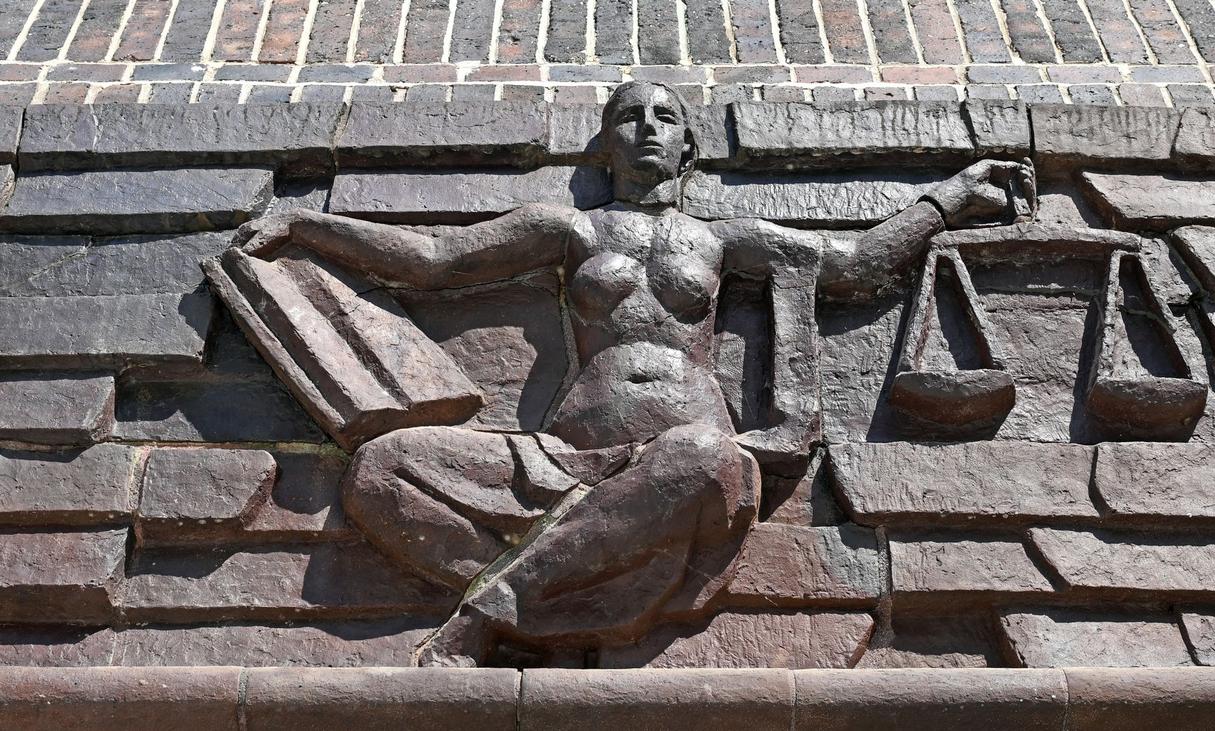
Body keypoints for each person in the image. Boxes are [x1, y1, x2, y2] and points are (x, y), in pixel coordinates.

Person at [233, 81, 1035, 665]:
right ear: (605, 146)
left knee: (703, 457)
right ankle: (582, 568)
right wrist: (307, 224)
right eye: (629, 116)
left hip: (691, 462)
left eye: (665, 117)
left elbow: (855, 262)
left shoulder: (723, 240)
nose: (648, 127)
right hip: (565, 459)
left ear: (688, 147)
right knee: (383, 468)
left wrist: (946, 200)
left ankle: (491, 611)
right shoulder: (570, 232)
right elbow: (436, 260)